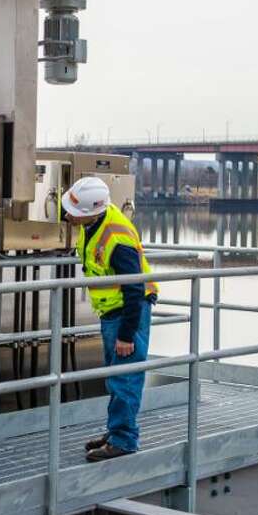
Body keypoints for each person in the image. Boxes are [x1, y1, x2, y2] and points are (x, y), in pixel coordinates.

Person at [60, 176, 159, 462]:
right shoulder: (96, 221)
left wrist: (127, 335)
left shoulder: (117, 239)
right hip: (112, 311)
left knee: (125, 379)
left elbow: (134, 287)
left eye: (74, 212)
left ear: (92, 211)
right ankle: (116, 431)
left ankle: (124, 440)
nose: (68, 215)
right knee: (115, 377)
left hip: (129, 313)